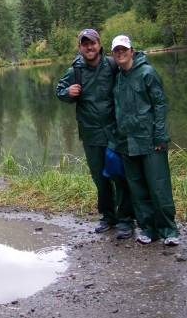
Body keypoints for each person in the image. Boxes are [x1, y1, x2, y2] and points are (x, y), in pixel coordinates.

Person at [56, 29, 135, 239]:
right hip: (90, 134)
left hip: (114, 131)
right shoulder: (75, 70)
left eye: (92, 43)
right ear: (80, 47)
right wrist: (67, 93)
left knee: (119, 175)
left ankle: (126, 219)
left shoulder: (111, 64)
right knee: (100, 178)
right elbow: (59, 90)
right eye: (85, 44)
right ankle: (108, 217)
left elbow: (131, 71)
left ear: (99, 44)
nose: (89, 47)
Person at [110, 35, 179, 246]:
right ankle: (148, 229)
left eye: (124, 49)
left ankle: (168, 230)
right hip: (127, 143)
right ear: (113, 54)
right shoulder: (118, 77)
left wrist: (160, 135)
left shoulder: (148, 73)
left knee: (159, 187)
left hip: (150, 141)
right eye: (117, 51)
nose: (121, 53)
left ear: (132, 51)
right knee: (138, 190)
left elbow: (159, 105)